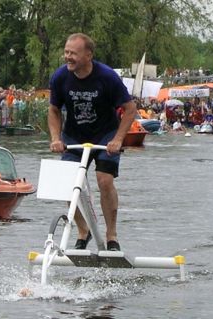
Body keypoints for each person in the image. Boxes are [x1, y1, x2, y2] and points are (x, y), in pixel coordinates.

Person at [48, 33, 137, 251]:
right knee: (67, 184)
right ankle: (83, 230)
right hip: (74, 136)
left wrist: (118, 139)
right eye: (66, 52)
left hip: (106, 135)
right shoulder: (59, 77)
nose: (68, 57)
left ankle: (111, 235)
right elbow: (53, 109)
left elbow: (130, 109)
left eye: (73, 53)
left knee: (104, 181)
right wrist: (55, 138)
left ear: (88, 55)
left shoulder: (107, 76)